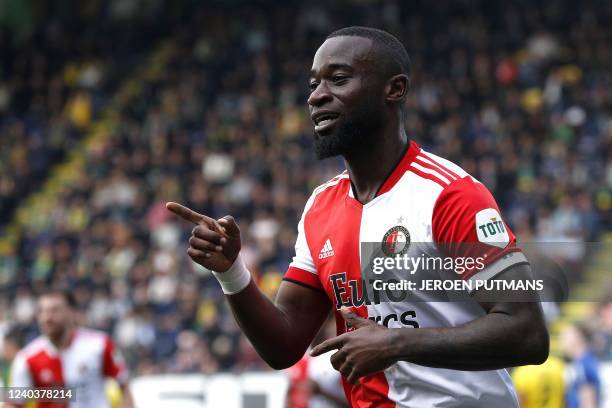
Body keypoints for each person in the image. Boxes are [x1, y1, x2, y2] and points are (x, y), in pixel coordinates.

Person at [167, 26, 549, 407]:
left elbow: (527, 332)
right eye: (313, 84)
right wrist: (231, 272)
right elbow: (284, 345)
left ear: (394, 89)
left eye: (338, 79)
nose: (317, 96)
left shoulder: (449, 194)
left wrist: (397, 342)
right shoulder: (321, 206)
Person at [6, 290, 133, 408]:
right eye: (42, 311)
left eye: (54, 310)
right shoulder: (27, 357)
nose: (47, 318)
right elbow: (14, 402)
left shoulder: (99, 345)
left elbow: (124, 387)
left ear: (72, 313)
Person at [560, 322, 600, 408]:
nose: (562, 342)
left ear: (577, 338)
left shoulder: (584, 364)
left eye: (565, 338)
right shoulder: (581, 362)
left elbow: (589, 401)